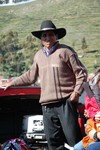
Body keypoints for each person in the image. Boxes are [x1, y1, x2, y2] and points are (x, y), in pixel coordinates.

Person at [0, 20, 87, 150]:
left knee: (74, 140)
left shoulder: (66, 51)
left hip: (65, 102)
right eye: (44, 36)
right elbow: (30, 76)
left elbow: (82, 73)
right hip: (47, 106)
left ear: (56, 36)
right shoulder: (38, 56)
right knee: (53, 142)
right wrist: (11, 82)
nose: (47, 38)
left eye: (50, 34)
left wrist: (76, 93)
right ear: (41, 39)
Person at [74, 68, 100, 150]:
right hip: (94, 126)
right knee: (77, 148)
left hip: (96, 133)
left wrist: (96, 135)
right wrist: (93, 115)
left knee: (91, 148)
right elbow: (89, 108)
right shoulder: (91, 90)